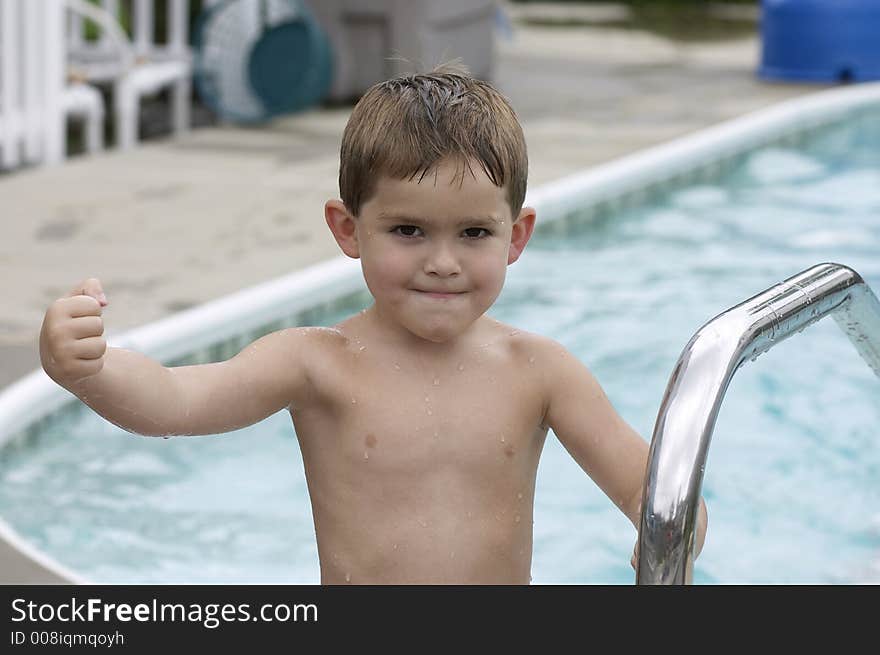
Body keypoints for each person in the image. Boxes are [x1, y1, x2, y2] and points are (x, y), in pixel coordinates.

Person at [39, 64, 707, 584]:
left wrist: (675, 536)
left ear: (516, 235)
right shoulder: (315, 363)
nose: (442, 262)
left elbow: (653, 488)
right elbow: (178, 402)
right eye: (408, 230)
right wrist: (90, 369)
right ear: (348, 229)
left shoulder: (540, 372)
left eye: (474, 232)